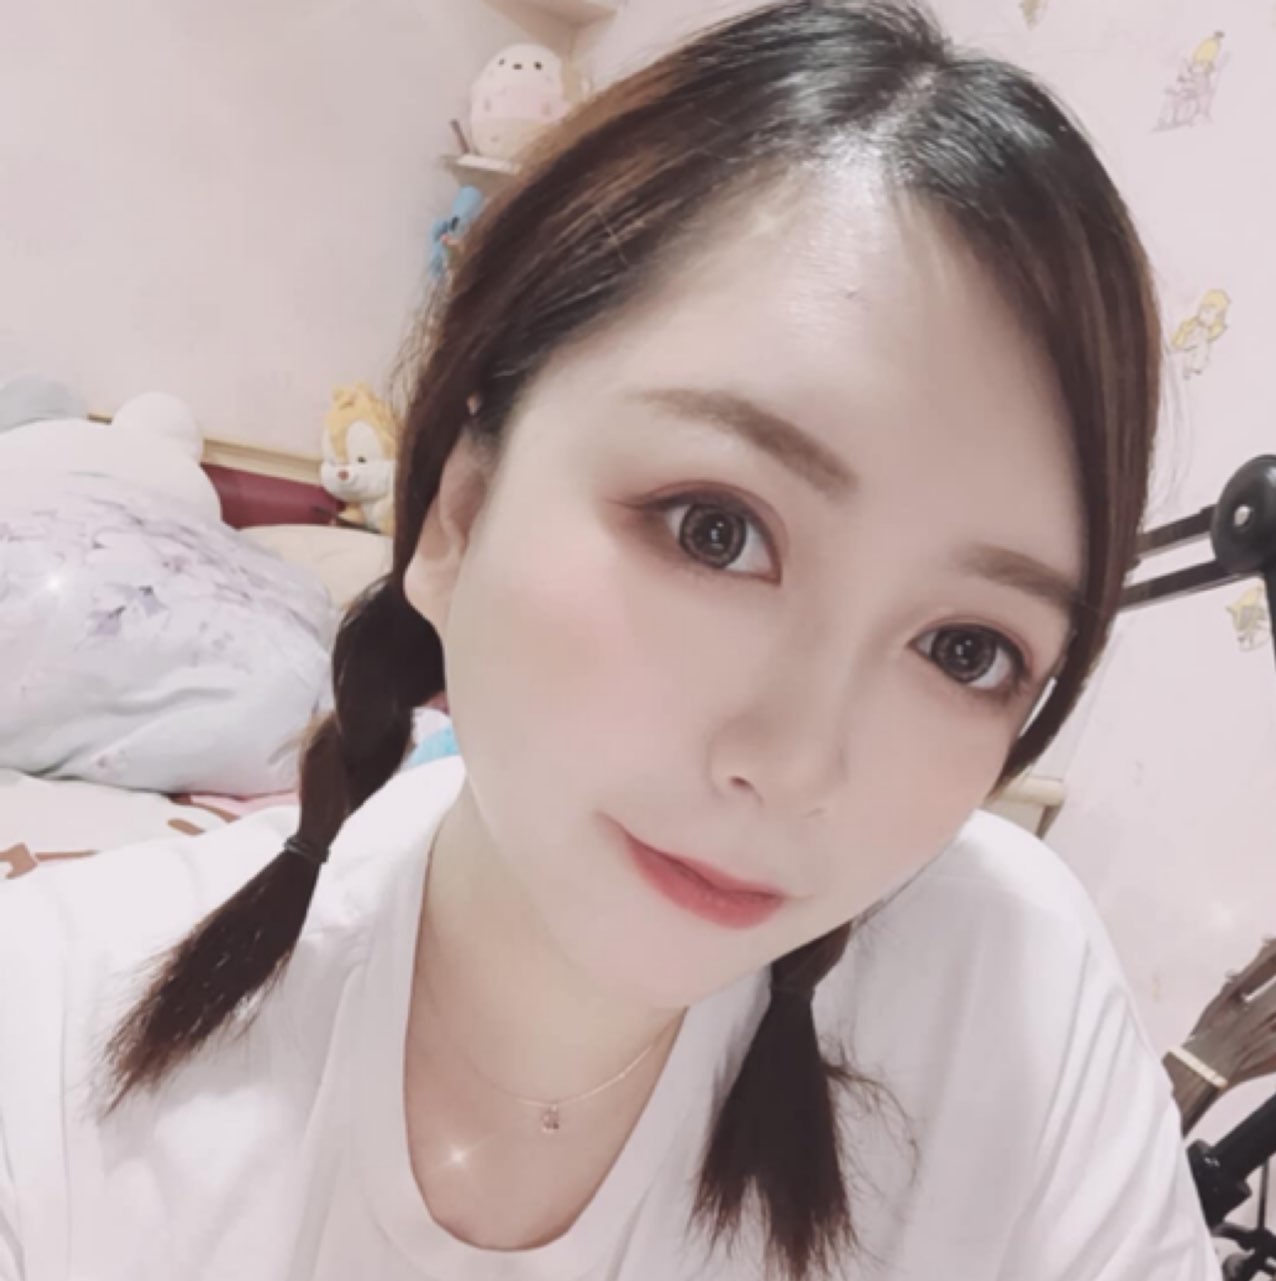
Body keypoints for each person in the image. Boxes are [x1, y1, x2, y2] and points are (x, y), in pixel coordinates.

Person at [0, 2, 1222, 1278]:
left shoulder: (1005, 990)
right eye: (714, 531)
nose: (795, 766)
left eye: (965, 649)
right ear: (459, 508)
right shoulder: (49, 1038)